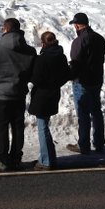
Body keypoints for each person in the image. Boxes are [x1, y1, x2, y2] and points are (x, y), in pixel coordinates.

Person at [0, 17, 37, 169]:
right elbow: (33, 73)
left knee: (2, 128)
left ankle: (3, 158)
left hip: (1, 95)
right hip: (19, 94)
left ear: (5, 29)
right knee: (18, 127)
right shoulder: (30, 51)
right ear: (19, 30)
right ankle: (16, 156)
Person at [28, 31, 72, 170]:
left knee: (42, 127)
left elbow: (35, 78)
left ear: (43, 43)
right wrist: (55, 83)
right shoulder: (61, 56)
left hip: (42, 95)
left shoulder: (41, 58)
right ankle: (47, 157)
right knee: (44, 125)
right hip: (54, 93)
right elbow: (66, 75)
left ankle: (46, 160)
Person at [66, 12, 105, 154]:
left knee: (83, 113)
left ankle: (83, 144)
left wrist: (70, 75)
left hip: (82, 81)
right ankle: (99, 142)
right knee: (96, 111)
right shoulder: (100, 38)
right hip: (97, 79)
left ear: (77, 25)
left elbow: (75, 62)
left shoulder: (78, 41)